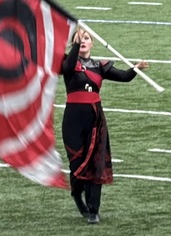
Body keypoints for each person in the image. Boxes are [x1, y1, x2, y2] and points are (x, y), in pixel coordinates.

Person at [61, 28, 149, 224]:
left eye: (86, 38)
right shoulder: (68, 62)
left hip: (95, 120)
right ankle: (77, 196)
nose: (83, 41)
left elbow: (124, 77)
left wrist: (136, 68)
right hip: (73, 120)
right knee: (76, 163)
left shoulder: (100, 66)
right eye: (79, 39)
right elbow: (67, 68)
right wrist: (75, 43)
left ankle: (94, 210)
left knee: (95, 164)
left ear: (92, 43)